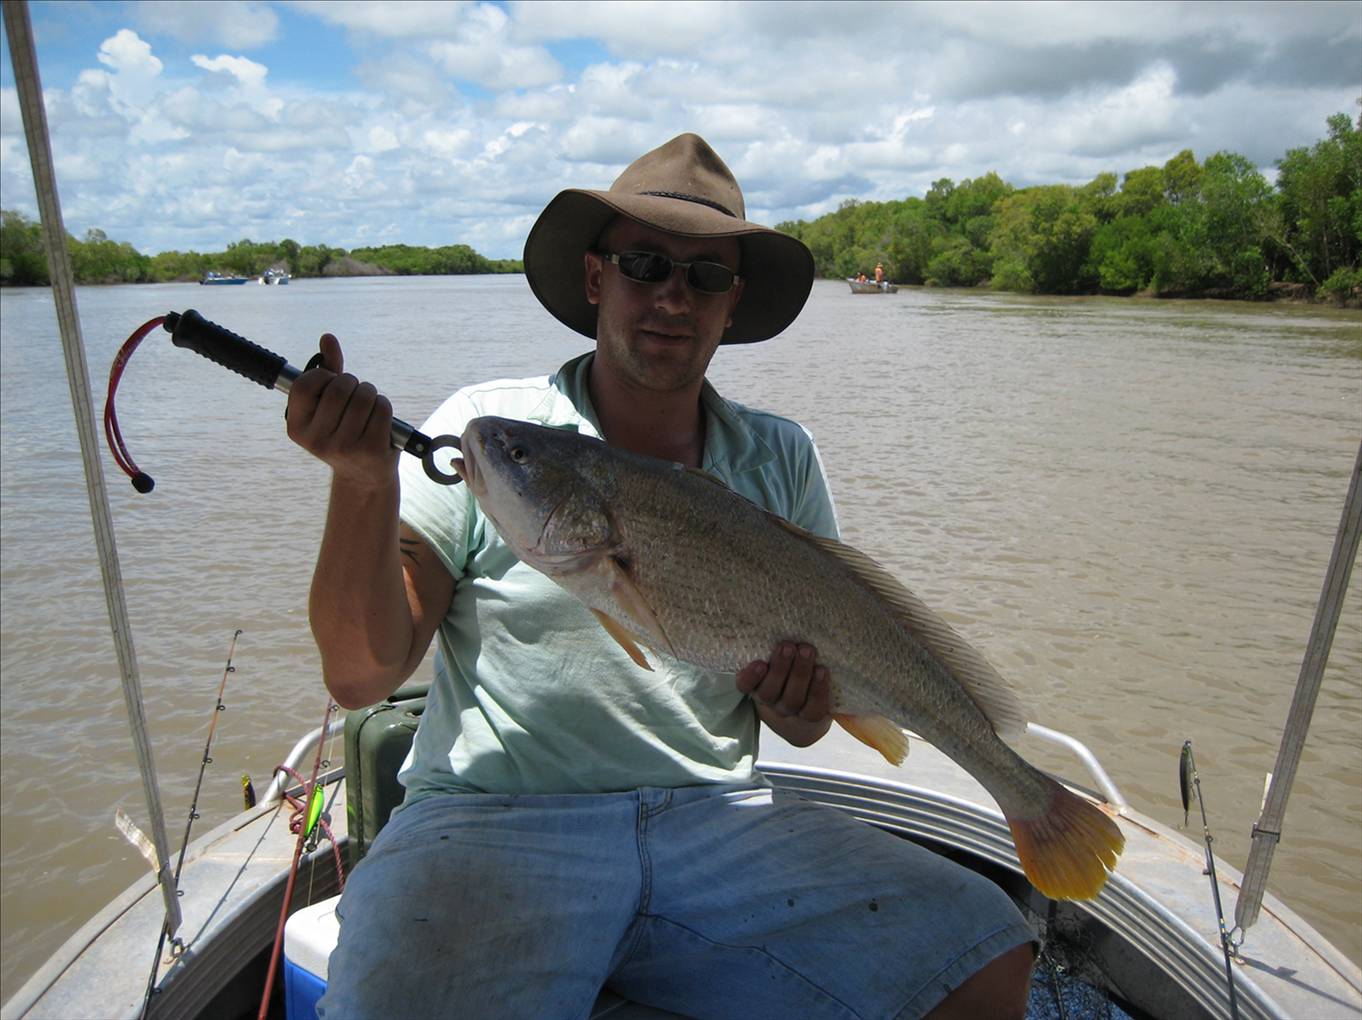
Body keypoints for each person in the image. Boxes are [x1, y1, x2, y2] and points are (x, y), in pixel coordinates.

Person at [287, 133, 1035, 1020]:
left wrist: (800, 707)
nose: (673, 298)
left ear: (732, 303)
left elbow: (798, 727)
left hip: (719, 826)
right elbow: (361, 672)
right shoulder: (490, 429)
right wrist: (362, 482)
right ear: (598, 279)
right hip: (492, 824)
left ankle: (1029, 800)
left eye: (705, 277)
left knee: (985, 954)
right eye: (646, 265)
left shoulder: (780, 455)